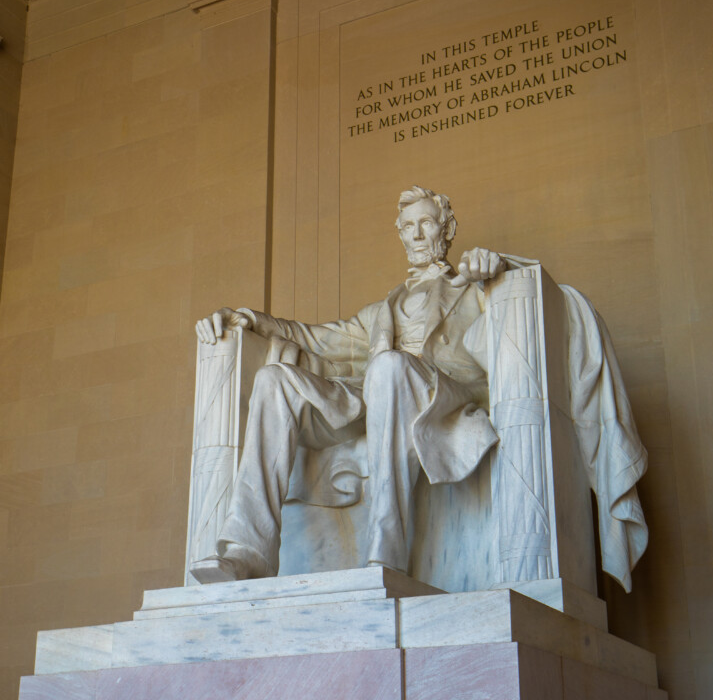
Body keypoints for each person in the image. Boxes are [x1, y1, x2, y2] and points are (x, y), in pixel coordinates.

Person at [192, 186, 507, 582]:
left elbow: (511, 296)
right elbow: (315, 337)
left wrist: (494, 270)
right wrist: (249, 319)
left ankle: (387, 552)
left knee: (389, 367)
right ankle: (249, 551)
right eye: (408, 226)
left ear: (447, 229)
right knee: (274, 380)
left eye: (427, 223)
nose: (417, 234)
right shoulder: (382, 312)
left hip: (439, 398)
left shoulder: (472, 288)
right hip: (373, 396)